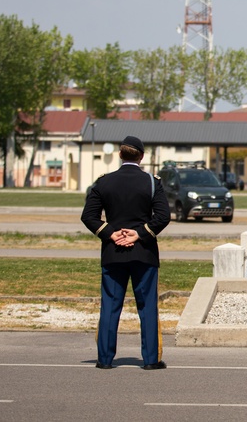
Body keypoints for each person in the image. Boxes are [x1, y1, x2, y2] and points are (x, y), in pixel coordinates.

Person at [81, 135, 171, 370]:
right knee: (147, 306)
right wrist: (139, 234)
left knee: (110, 306)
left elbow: (88, 216)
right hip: (144, 252)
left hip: (113, 252)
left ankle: (104, 359)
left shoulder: (104, 182)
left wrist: (110, 233)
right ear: (141, 157)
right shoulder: (152, 182)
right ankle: (151, 360)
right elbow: (163, 217)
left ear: (120, 155)